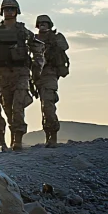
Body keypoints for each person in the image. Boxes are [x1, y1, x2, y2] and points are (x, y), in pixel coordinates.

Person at [0, 0, 45, 152]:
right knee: (7, 107)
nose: (9, 12)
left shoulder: (22, 31)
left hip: (21, 73)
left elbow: (37, 47)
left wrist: (37, 65)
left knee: (18, 105)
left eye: (12, 9)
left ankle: (17, 139)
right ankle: (9, 137)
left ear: (17, 11)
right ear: (2, 11)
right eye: (6, 9)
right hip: (2, 74)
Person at [35, 14, 70, 147]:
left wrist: (51, 42)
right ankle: (47, 134)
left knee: (48, 104)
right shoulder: (33, 39)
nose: (43, 25)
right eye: (41, 23)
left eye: (46, 23)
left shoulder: (56, 37)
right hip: (36, 75)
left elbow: (64, 47)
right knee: (43, 106)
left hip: (50, 73)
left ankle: (53, 134)